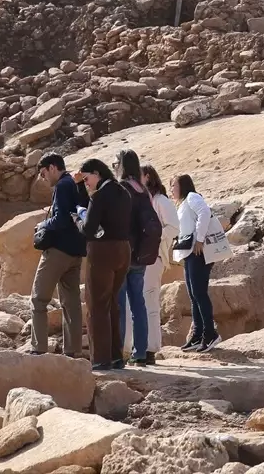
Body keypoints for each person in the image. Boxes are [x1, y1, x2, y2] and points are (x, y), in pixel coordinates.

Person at [30, 155, 87, 357]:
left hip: (58, 251)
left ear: (53, 168)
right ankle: (73, 352)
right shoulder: (75, 183)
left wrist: (42, 225)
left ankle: (38, 349)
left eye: (44, 174)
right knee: (71, 303)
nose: (44, 179)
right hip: (76, 251)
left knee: (38, 300)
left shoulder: (62, 185)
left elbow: (62, 219)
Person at [78, 158, 132, 370]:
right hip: (124, 249)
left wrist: (78, 220)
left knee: (97, 305)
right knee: (112, 303)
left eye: (86, 178)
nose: (86, 183)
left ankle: (100, 359)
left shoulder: (99, 196)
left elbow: (89, 229)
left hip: (102, 252)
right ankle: (116, 356)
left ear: (97, 173)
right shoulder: (124, 193)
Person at [132, 164, 179, 365]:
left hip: (154, 256)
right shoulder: (144, 200)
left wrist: (154, 240)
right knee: (140, 302)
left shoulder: (160, 200)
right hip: (142, 257)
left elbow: (173, 227)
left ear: (148, 176)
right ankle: (141, 348)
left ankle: (150, 349)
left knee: (149, 302)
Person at [115, 150, 156, 367]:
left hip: (123, 252)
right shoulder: (144, 191)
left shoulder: (122, 188)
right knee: (138, 303)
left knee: (120, 304)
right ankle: (140, 352)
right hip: (141, 254)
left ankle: (119, 352)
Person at [173, 174, 221, 351]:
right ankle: (197, 334)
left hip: (198, 252)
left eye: (173, 185)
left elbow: (205, 213)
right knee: (194, 295)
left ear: (183, 186)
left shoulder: (193, 197)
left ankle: (210, 334)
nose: (171, 189)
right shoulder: (183, 203)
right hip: (190, 253)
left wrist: (199, 240)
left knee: (199, 294)